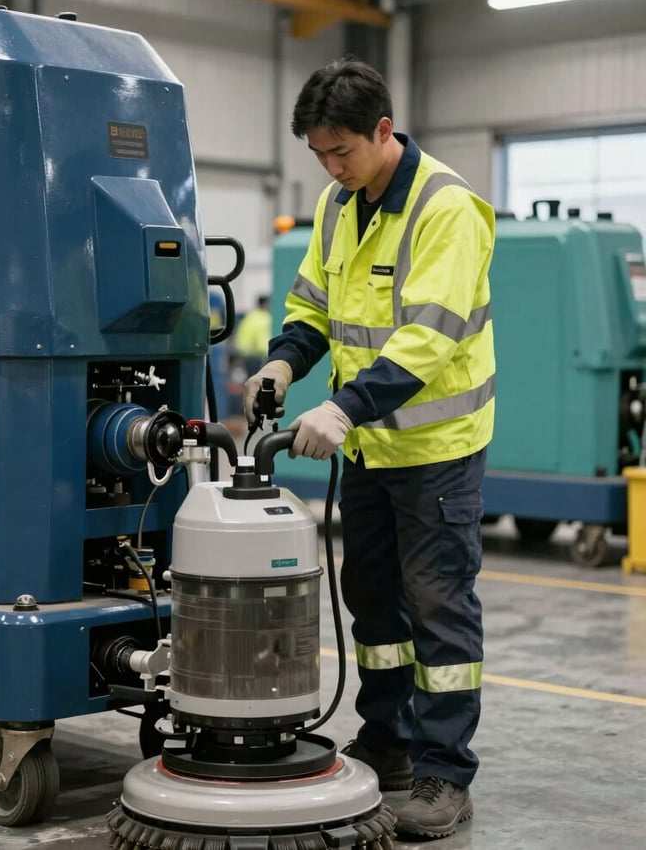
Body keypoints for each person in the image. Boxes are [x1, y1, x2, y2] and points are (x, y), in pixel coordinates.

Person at [243, 58, 495, 840]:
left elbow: (429, 338)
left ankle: (445, 774)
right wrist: (286, 359)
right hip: (371, 454)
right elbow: (315, 301)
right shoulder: (338, 203)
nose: (331, 167)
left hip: (435, 451)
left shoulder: (446, 207)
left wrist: (345, 409)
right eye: (319, 155)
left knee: (439, 611)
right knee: (374, 606)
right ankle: (386, 743)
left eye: (341, 151)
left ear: (383, 131)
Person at [234, 295, 272, 378]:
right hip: (261, 355)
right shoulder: (266, 317)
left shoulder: (250, 317)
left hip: (249, 354)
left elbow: (242, 334)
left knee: (251, 379)